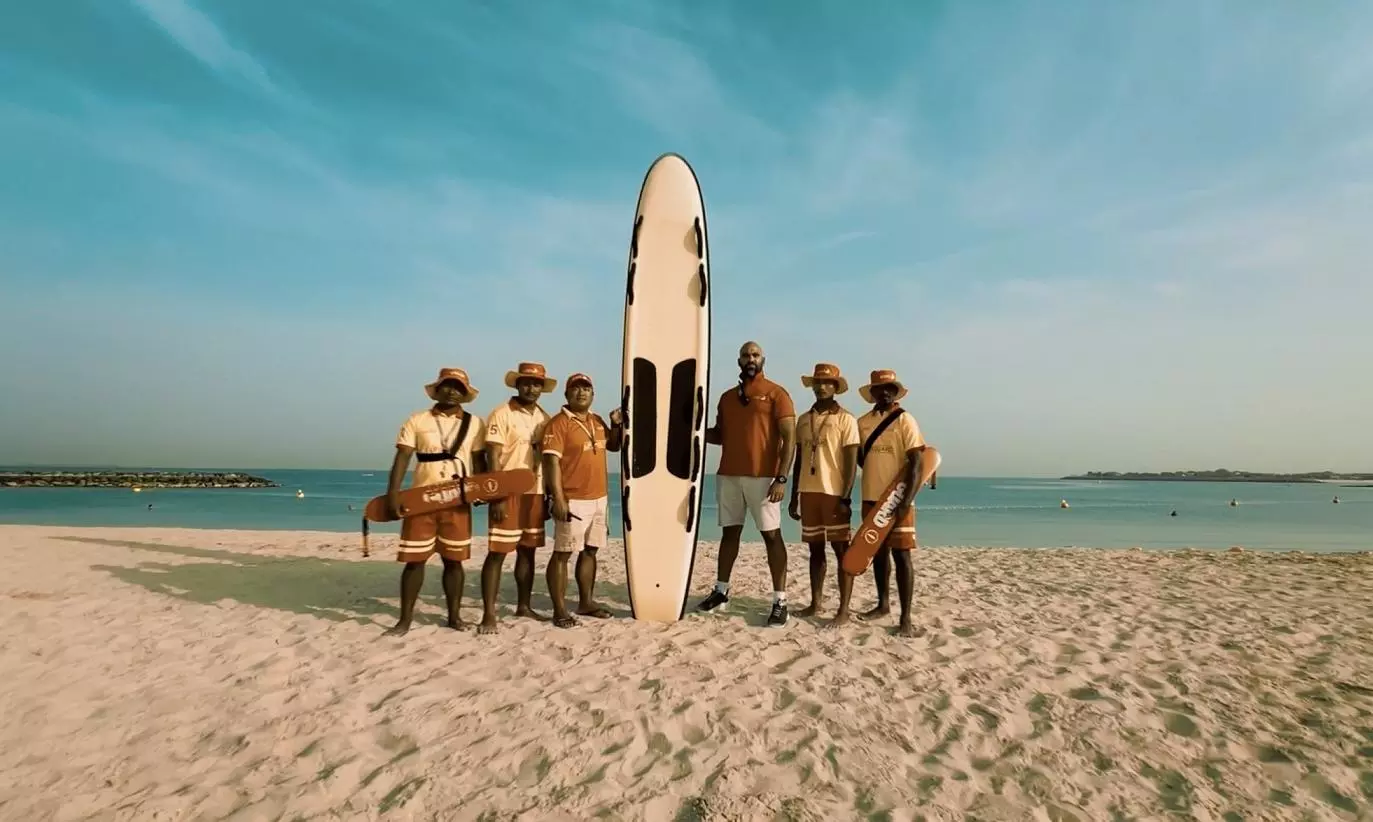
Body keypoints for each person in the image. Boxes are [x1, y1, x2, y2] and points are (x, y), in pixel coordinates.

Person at [695, 341, 797, 626]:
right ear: (738, 360)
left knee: (771, 536)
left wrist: (782, 478)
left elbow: (790, 439)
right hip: (728, 474)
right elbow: (719, 434)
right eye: (745, 355)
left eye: (755, 354)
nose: (750, 358)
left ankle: (780, 600)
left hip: (764, 477)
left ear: (763, 359)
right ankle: (721, 590)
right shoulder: (727, 397)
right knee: (730, 534)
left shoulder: (777, 393)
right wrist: (695, 428)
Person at [384, 367, 487, 636]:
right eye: (448, 385)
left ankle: (454, 616)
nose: (452, 391)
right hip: (422, 499)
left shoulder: (475, 424)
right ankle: (404, 619)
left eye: (458, 387)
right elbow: (403, 459)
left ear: (465, 394)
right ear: (437, 388)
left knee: (454, 561)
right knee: (414, 561)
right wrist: (393, 495)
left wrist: (483, 491)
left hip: (457, 500)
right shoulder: (417, 420)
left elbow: (479, 462)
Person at [840, 369, 928, 637]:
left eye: (889, 388)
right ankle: (882, 605)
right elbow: (857, 457)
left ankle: (906, 618)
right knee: (876, 553)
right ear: (873, 393)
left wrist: (906, 500)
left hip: (897, 498)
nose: (885, 392)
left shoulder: (905, 420)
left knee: (902, 556)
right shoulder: (862, 422)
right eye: (879, 388)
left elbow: (917, 463)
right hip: (869, 497)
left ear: (895, 391)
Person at [540, 373, 623, 627]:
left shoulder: (597, 421)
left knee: (590, 551)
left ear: (592, 394)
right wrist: (558, 498)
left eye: (586, 388)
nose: (581, 392)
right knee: (563, 553)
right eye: (575, 389)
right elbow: (550, 463)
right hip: (572, 499)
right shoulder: (558, 424)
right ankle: (560, 609)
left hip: (599, 498)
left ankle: (586, 602)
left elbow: (614, 446)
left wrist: (617, 424)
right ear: (566, 395)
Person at [478, 361, 555, 635]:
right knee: (498, 552)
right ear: (517, 384)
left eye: (536, 384)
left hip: (534, 492)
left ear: (542, 388)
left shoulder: (544, 418)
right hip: (507, 490)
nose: (531, 388)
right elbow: (493, 455)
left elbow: (547, 459)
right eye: (527, 383)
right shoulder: (501, 413)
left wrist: (548, 495)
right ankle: (489, 614)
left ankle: (524, 605)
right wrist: (496, 494)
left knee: (528, 551)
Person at [787, 363, 860, 619]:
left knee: (842, 551)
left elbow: (852, 462)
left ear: (836, 387)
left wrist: (846, 497)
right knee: (815, 550)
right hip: (808, 492)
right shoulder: (804, 420)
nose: (821, 387)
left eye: (827, 382)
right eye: (818, 382)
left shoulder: (846, 419)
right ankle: (815, 603)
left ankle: (843, 609)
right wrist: (793, 495)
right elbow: (798, 460)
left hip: (834, 493)